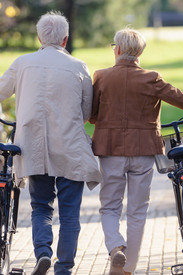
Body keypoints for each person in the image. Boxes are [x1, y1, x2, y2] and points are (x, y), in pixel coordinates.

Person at [89, 27, 183, 275]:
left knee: (110, 207)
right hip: (143, 151)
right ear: (139, 52)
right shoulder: (151, 78)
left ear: (117, 50)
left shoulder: (101, 77)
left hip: (110, 150)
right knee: (137, 211)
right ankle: (127, 268)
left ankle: (114, 246)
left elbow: (92, 114)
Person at [0, 11, 102, 275]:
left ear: (39, 37)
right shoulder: (79, 67)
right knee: (70, 213)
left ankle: (43, 253)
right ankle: (64, 268)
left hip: (33, 147)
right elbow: (87, 111)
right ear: (65, 40)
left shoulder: (22, 63)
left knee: (41, 206)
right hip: (70, 146)